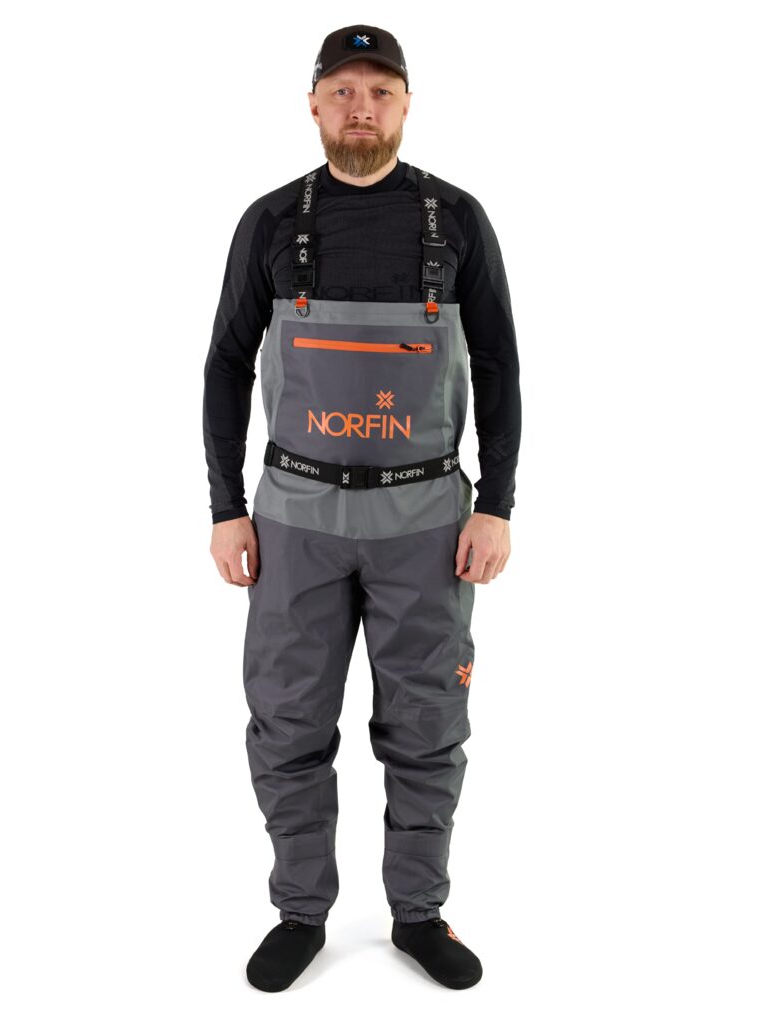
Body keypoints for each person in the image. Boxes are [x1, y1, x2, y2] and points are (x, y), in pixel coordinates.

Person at [203, 24, 521, 991]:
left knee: (427, 725)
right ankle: (300, 913)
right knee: (287, 720)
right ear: (313, 104)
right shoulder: (269, 222)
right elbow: (225, 365)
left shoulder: (456, 220)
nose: (361, 108)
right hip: (293, 518)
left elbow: (500, 366)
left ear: (407, 104)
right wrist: (225, 506)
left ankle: (419, 915)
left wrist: (497, 503)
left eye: (380, 91)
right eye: (342, 90)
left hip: (426, 522)